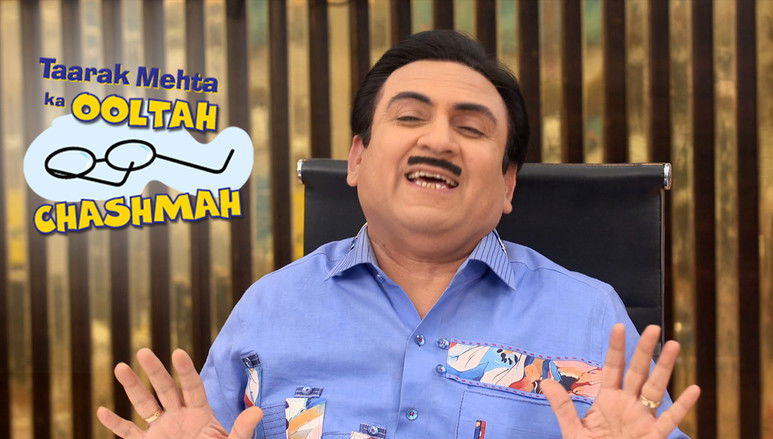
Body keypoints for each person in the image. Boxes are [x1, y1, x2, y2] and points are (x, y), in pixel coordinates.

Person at [97, 30, 700, 439]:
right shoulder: (270, 309)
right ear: (357, 159)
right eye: (410, 117)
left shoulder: (590, 315)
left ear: (507, 183)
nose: (437, 140)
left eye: (471, 128)